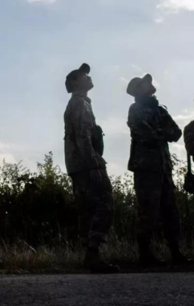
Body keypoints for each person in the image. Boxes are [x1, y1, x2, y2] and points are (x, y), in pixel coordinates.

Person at [126, 74, 189, 267]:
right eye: (146, 83)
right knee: (148, 212)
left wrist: (159, 132)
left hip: (163, 167)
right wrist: (162, 133)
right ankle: (145, 255)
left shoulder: (159, 110)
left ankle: (175, 253)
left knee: (171, 211)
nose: (151, 85)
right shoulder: (135, 109)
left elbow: (177, 132)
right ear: (138, 89)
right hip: (146, 168)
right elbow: (145, 134)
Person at [63, 64, 119, 274]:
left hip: (79, 164)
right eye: (83, 75)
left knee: (87, 209)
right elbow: (82, 136)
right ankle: (93, 254)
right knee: (105, 203)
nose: (88, 77)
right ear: (74, 83)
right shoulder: (79, 104)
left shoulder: (80, 103)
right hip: (87, 163)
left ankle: (90, 256)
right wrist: (94, 164)